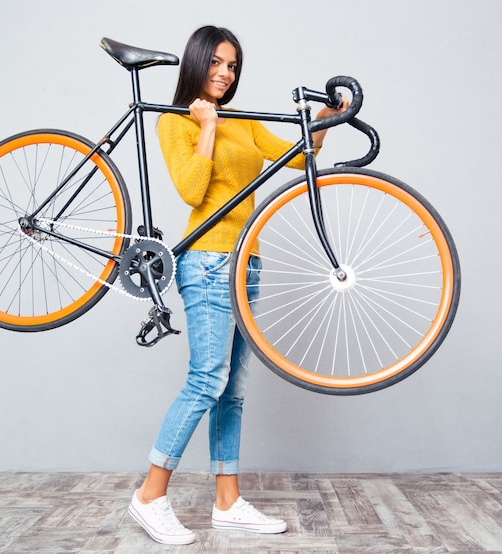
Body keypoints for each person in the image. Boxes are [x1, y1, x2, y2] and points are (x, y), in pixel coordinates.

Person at [128, 25, 348, 545]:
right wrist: (205, 127)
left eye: (232, 66)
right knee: (207, 379)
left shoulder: (244, 123)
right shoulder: (173, 121)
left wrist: (323, 120)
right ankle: (149, 495)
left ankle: (227, 501)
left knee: (234, 390)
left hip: (246, 264)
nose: (225, 73)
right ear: (196, 63)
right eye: (217, 63)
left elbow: (300, 157)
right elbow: (190, 189)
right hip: (205, 262)